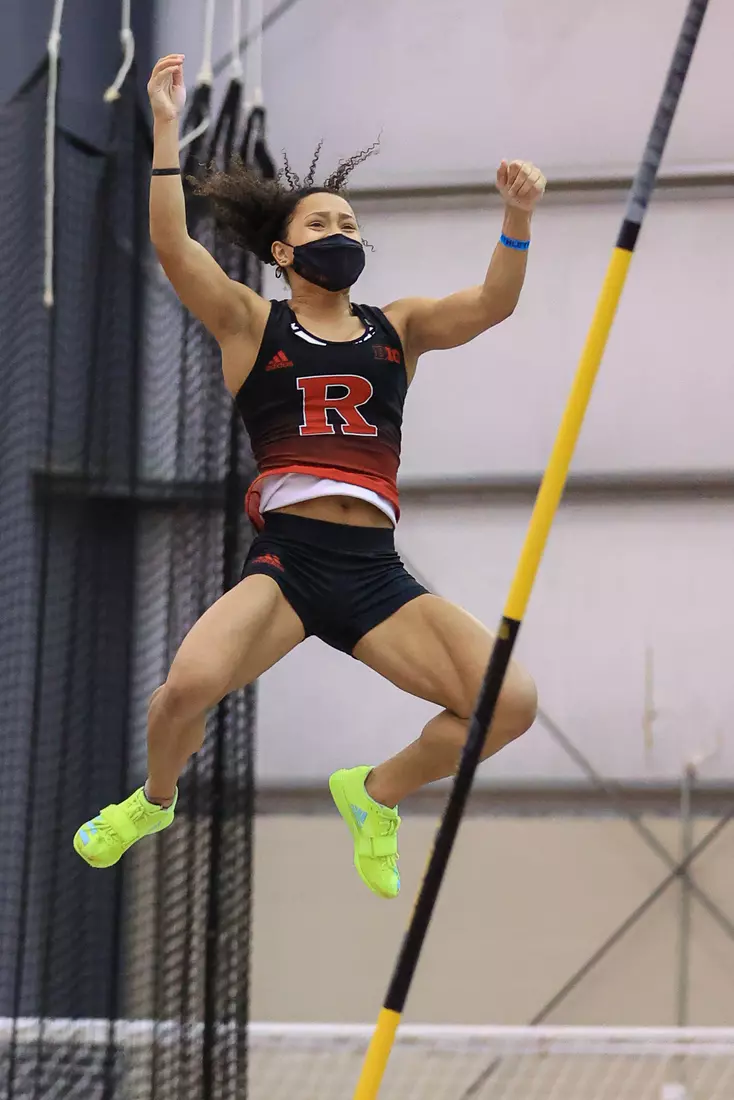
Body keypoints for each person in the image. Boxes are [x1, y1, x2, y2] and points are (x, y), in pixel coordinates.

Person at [73, 54, 544, 899]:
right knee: (184, 690)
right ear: (285, 250)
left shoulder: (398, 326)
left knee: (508, 704)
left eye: (352, 223)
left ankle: (376, 794)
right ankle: (153, 799)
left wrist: (516, 218)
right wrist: (168, 131)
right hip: (290, 564)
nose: (342, 232)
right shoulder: (253, 322)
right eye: (324, 221)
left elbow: (493, 304)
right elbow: (173, 246)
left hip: (375, 574)